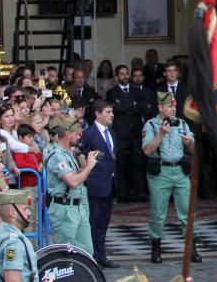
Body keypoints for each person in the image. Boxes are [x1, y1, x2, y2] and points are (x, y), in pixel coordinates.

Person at [142, 92, 201, 264]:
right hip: (161, 172)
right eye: (169, 106)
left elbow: (194, 150)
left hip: (180, 172)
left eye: (174, 106)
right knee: (158, 213)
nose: (173, 109)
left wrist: (189, 143)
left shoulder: (182, 124)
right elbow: (146, 150)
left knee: (187, 212)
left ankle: (192, 249)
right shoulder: (151, 125)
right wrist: (160, 134)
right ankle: (156, 248)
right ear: (160, 107)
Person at [0, 187, 54, 282]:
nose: (29, 213)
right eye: (25, 209)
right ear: (12, 213)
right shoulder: (13, 243)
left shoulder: (5, 233)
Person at [44, 116, 98, 255]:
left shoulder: (69, 153)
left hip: (77, 207)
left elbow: (82, 172)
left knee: (86, 252)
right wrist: (90, 165)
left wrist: (82, 157)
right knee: (65, 254)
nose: (80, 135)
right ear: (68, 134)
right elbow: (73, 181)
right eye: (76, 132)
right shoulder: (57, 155)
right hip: (64, 209)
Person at [80, 99, 119, 268]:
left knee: (103, 223)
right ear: (98, 114)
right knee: (93, 222)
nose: (111, 115)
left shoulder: (112, 132)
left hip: (109, 182)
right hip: (95, 184)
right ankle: (92, 256)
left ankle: (101, 255)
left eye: (111, 112)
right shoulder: (89, 133)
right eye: (108, 112)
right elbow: (80, 152)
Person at [108, 65, 155, 203]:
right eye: (121, 74)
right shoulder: (112, 92)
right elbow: (116, 108)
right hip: (121, 134)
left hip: (136, 133)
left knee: (138, 164)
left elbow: (144, 106)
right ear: (117, 77)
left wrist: (127, 106)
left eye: (126, 73)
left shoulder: (136, 90)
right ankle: (123, 194)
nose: (125, 76)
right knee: (121, 165)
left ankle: (139, 193)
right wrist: (133, 106)